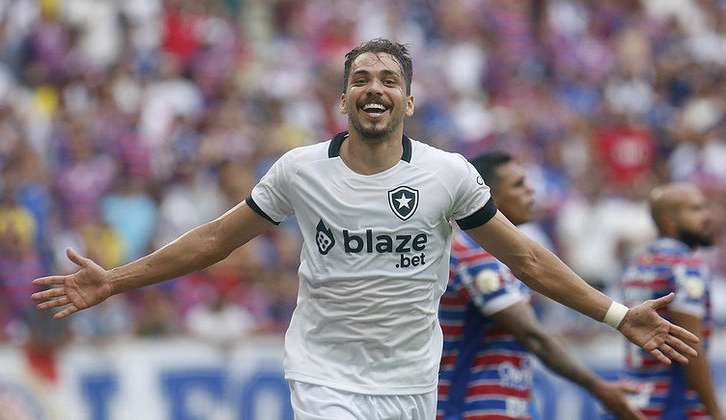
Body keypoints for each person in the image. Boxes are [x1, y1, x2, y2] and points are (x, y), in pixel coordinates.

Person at [32, 39, 697, 419]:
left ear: (408, 99)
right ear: (343, 97)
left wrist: (616, 315)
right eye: (360, 79)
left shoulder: (447, 175)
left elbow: (526, 258)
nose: (373, 88)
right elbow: (214, 240)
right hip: (325, 376)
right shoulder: (300, 170)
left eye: (387, 80)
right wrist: (115, 280)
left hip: (411, 383)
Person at [438, 151, 645, 420]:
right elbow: (532, 335)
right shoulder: (473, 255)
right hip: (470, 408)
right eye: (518, 185)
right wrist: (599, 387)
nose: (531, 190)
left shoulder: (500, 255)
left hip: (506, 403)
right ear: (486, 196)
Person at [620, 183, 723, 420]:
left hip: (636, 401)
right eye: (695, 209)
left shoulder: (638, 264)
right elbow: (690, 350)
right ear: (669, 221)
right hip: (673, 404)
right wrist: (716, 413)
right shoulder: (685, 267)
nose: (707, 217)